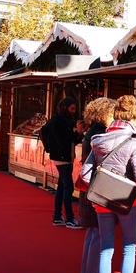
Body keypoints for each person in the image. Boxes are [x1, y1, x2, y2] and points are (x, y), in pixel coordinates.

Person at [80, 95, 136, 273]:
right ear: (134, 117)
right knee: (129, 247)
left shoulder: (98, 141)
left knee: (105, 248)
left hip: (102, 199)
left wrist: (95, 193)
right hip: (126, 201)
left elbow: (84, 174)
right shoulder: (134, 143)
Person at [77, 97, 117, 273]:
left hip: (90, 187)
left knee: (92, 234)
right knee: (99, 236)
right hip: (99, 188)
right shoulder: (101, 134)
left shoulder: (91, 133)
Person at [42, 96, 83, 229]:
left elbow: (69, 140)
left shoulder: (60, 120)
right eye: (72, 108)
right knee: (68, 187)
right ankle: (70, 219)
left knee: (61, 187)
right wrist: (78, 133)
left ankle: (57, 216)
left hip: (62, 156)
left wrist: (77, 133)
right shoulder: (59, 122)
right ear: (65, 108)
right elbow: (66, 141)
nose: (73, 111)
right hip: (62, 157)